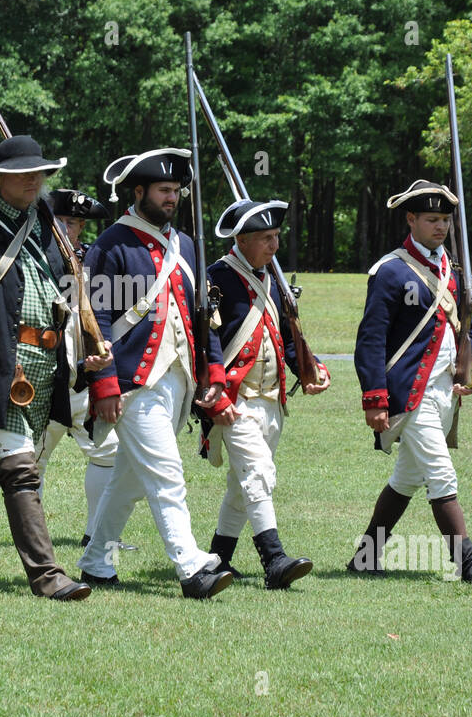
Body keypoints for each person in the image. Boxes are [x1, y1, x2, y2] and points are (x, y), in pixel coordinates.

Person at [0, 135, 99, 601]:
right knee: (20, 465)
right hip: (0, 360)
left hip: (45, 362)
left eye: (40, 173)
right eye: (23, 172)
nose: (34, 180)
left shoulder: (49, 228)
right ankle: (47, 576)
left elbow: (69, 295)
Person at [74, 148, 234, 599]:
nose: (172, 198)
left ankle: (95, 563)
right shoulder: (112, 243)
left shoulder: (187, 246)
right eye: (164, 190)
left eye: (176, 191)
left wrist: (214, 373)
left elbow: (207, 318)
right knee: (166, 474)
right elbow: (96, 319)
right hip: (132, 383)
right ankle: (191, 566)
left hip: (178, 380)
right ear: (139, 191)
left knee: (127, 481)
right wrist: (104, 385)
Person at [347, 179, 472, 586]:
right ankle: (468, 564)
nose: (441, 227)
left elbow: (464, 328)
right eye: (432, 219)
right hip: (409, 393)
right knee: (441, 474)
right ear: (411, 219)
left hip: (444, 392)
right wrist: (375, 398)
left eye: (446, 219)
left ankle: (366, 557)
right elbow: (371, 339)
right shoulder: (390, 271)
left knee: (406, 479)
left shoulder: (452, 268)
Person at [203, 197, 330, 588]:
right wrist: (215, 394)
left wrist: (312, 368)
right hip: (235, 399)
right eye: (265, 238)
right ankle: (274, 560)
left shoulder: (271, 280)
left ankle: (218, 558)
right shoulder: (216, 278)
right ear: (241, 240)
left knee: (242, 487)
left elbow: (285, 342)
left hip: (272, 400)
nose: (274, 246)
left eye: (276, 236)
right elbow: (204, 341)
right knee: (258, 474)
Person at [33, 188, 130, 550]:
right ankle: (34, 537)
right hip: (44, 379)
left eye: (74, 222)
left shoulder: (95, 263)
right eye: (60, 220)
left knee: (108, 456)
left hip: (86, 379)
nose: (67, 228)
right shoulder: (33, 262)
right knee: (30, 461)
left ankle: (97, 535)